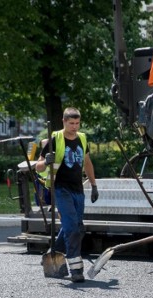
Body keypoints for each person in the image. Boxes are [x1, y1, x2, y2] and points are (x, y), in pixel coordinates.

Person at [36, 107, 99, 283]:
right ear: (64, 122)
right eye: (71, 123)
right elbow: (38, 166)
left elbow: (87, 162)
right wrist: (46, 161)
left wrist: (94, 185)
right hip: (60, 188)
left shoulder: (83, 138)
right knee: (72, 228)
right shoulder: (55, 139)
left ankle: (53, 252)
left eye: (77, 123)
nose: (74, 127)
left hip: (78, 189)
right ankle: (76, 269)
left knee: (77, 228)